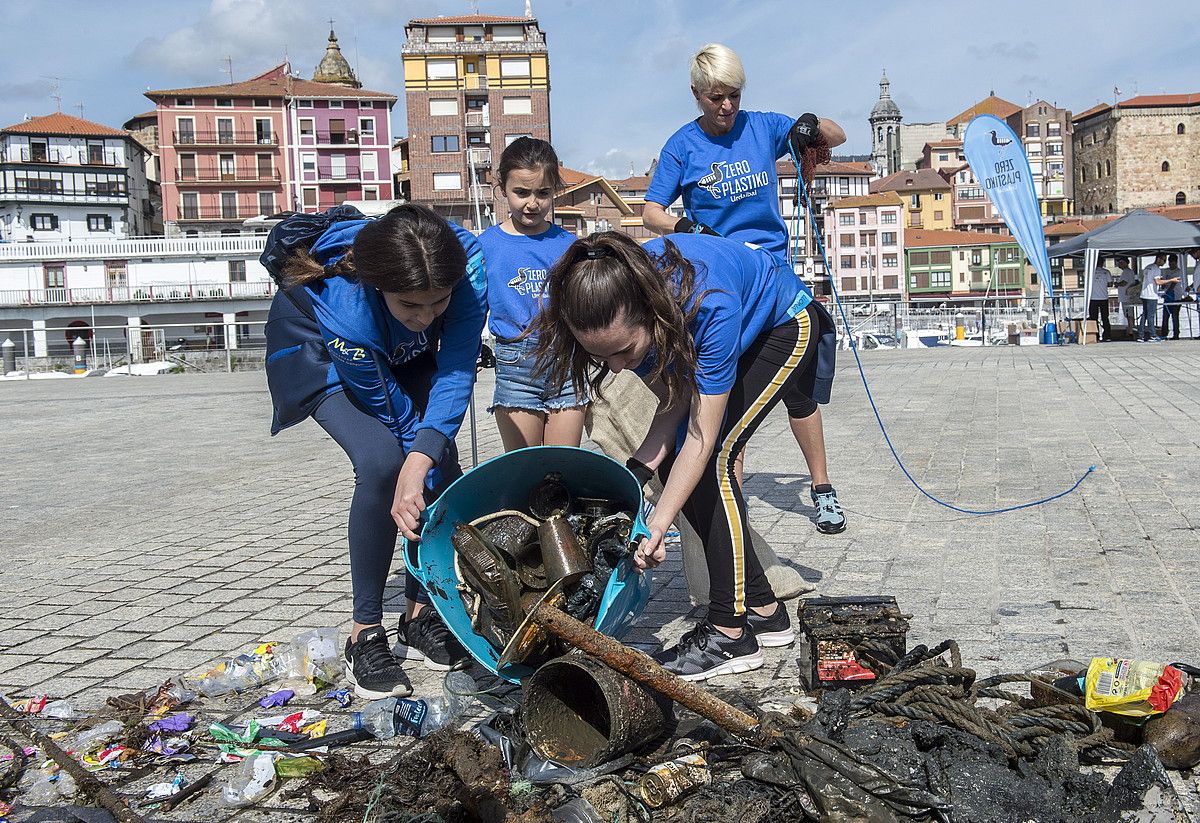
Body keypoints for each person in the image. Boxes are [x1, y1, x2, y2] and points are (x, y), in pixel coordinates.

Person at [533, 231, 821, 681]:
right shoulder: (624, 311)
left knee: (717, 460)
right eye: (598, 355)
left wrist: (657, 525)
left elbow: (702, 438)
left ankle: (730, 634)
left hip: (782, 324)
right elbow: (672, 408)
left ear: (652, 314)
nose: (614, 367)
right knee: (672, 465)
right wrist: (634, 479)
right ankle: (764, 608)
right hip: (714, 325)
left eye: (623, 351)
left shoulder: (709, 306)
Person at [263, 204, 484, 699]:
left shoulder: (463, 268)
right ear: (380, 286)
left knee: (438, 459)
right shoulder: (347, 306)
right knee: (384, 462)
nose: (427, 317)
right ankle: (365, 633)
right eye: (413, 305)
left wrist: (427, 460)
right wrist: (412, 469)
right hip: (317, 346)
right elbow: (393, 413)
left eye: (438, 303)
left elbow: (455, 372)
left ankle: (420, 613)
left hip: (400, 349)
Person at [640, 42, 849, 535]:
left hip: (773, 275)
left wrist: (808, 125)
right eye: (715, 97)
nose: (726, 106)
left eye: (733, 95)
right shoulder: (682, 146)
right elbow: (650, 211)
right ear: (696, 95)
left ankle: (821, 488)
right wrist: (685, 228)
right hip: (721, 283)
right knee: (724, 401)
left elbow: (836, 136)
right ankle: (733, 510)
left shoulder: (763, 126)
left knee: (800, 394)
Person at [478, 138, 587, 450]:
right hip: (516, 366)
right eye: (521, 192)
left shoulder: (569, 244)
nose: (532, 203)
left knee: (563, 466)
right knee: (527, 470)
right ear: (502, 189)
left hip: (566, 362)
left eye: (543, 193)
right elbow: (472, 308)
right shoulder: (486, 246)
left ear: (554, 190)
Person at [1138, 253, 1173, 342]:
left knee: (1144, 315)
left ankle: (1140, 335)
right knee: (1151, 315)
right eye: (1164, 260)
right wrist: (1171, 280)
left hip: (1144, 293)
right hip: (1151, 295)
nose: (1164, 263)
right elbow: (1158, 282)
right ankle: (1152, 335)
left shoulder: (1147, 267)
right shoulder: (1156, 269)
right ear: (1158, 259)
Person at [1158, 254, 1184, 340]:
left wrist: (1167, 290)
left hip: (1176, 296)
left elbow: (1174, 283)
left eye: (1173, 263)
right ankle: (1164, 334)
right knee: (1165, 316)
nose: (1171, 265)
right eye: (1170, 263)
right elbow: (1162, 282)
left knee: (1175, 316)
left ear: (1176, 263)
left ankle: (1176, 334)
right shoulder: (1166, 271)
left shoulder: (1178, 271)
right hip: (1167, 297)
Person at [1087, 256, 1114, 342]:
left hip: (1093, 298)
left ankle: (1096, 336)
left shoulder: (1090, 272)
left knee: (1093, 318)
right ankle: (1107, 336)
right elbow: (1110, 284)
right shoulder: (1106, 272)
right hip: (1104, 297)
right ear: (1103, 263)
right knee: (1105, 318)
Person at [1113, 255, 1138, 336]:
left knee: (1128, 315)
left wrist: (1117, 284)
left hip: (1126, 297)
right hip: (1126, 297)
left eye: (1120, 263)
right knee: (1128, 314)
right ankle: (1130, 329)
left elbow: (1124, 282)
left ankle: (1130, 331)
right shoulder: (1128, 272)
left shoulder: (1126, 272)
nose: (1118, 265)